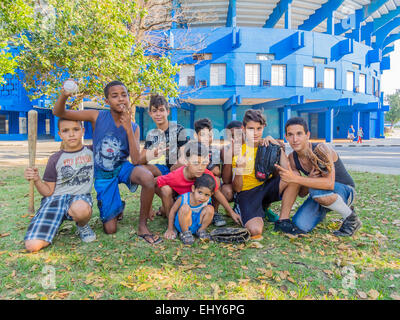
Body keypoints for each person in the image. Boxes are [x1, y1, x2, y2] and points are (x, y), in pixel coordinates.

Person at [53, 80, 161, 244]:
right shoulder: (96, 116)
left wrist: (128, 129)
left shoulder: (134, 126)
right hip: (103, 174)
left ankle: (142, 225)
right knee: (110, 229)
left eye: (124, 95)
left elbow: (136, 159)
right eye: (115, 96)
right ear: (107, 101)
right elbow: (59, 112)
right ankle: (118, 206)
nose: (120, 99)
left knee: (146, 177)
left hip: (122, 167)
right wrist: (64, 95)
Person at [276, 117, 362, 236]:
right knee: (300, 224)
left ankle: (351, 219)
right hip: (319, 194)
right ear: (286, 137)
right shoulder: (292, 158)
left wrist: (297, 178)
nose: (295, 139)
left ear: (307, 135)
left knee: (317, 190)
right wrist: (308, 179)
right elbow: (302, 193)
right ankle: (322, 210)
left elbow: (329, 183)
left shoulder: (321, 149)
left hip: (344, 190)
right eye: (290, 135)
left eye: (299, 134)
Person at [225, 109, 301, 238]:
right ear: (243, 129)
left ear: (264, 127)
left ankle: (283, 220)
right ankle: (241, 208)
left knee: (295, 176)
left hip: (266, 188)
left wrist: (276, 145)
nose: (255, 133)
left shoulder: (268, 144)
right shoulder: (239, 150)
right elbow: (237, 188)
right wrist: (239, 169)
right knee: (255, 231)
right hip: (248, 192)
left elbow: (287, 170)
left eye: (258, 128)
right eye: (250, 129)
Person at [24, 119, 96, 252]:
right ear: (60, 134)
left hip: (79, 199)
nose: (71, 134)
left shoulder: (92, 152)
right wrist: (36, 179)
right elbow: (48, 192)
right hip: (55, 200)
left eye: (75, 129)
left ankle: (82, 225)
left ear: (83, 131)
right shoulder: (55, 159)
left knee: (81, 209)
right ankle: (53, 225)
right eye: (65, 131)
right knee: (32, 246)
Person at [156, 141, 242, 229]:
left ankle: (212, 215)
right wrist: (166, 200)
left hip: (197, 206)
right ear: (187, 161)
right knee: (165, 189)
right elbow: (154, 182)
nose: (200, 167)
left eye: (204, 163)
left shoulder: (206, 174)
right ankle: (171, 219)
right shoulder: (176, 176)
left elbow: (217, 193)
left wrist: (232, 213)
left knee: (214, 180)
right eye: (196, 163)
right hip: (182, 205)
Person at [139, 94, 189, 177]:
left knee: (158, 184)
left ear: (168, 111)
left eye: (161, 110)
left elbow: (185, 158)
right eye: (154, 111)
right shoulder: (152, 135)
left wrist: (171, 172)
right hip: (166, 169)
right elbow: (140, 161)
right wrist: (152, 154)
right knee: (139, 169)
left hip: (181, 171)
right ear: (150, 113)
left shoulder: (178, 130)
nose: (158, 114)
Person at [164, 173, 215, 245]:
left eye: (206, 195)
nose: (202, 197)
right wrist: (170, 228)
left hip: (197, 224)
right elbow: (172, 211)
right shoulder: (184, 198)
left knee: (210, 209)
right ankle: (185, 233)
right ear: (193, 189)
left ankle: (201, 231)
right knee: (185, 208)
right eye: (200, 192)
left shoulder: (207, 200)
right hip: (184, 224)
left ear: (211, 194)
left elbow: (208, 213)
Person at [194, 118, 226, 227]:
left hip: (207, 178)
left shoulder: (214, 150)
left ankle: (215, 212)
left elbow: (217, 171)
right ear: (196, 136)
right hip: (194, 179)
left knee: (216, 180)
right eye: (202, 135)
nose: (206, 139)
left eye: (209, 135)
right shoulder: (191, 149)